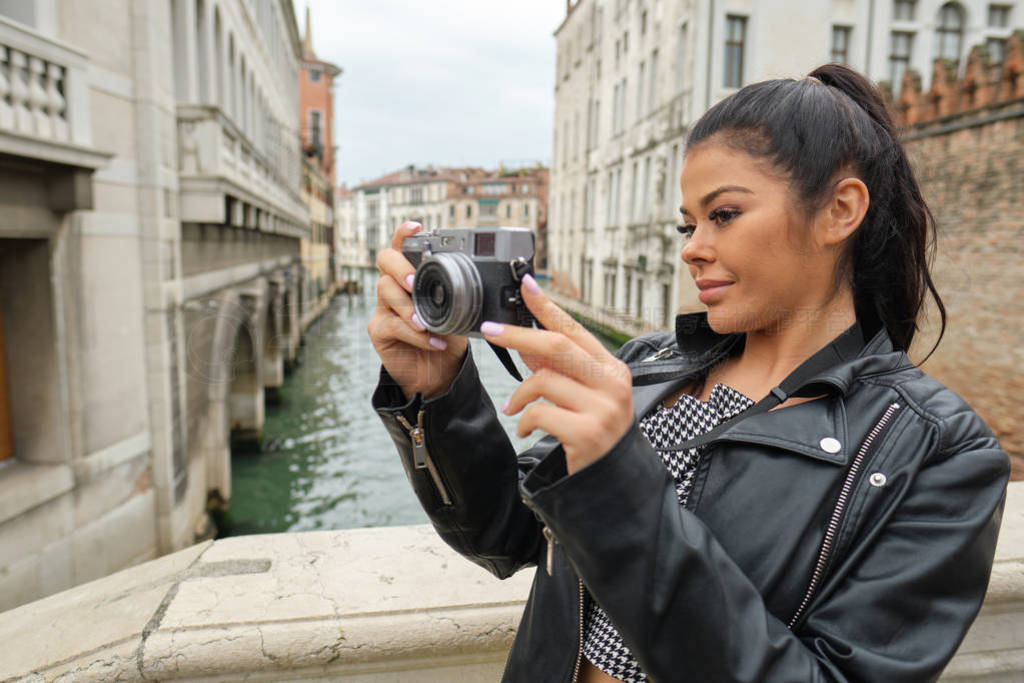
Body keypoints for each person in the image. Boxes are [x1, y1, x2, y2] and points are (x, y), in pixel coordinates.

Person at [367, 63, 1009, 682]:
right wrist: (435, 390)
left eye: (723, 214)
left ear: (840, 210)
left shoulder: (940, 453)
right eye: (688, 222)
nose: (692, 246)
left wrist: (620, 480)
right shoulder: (647, 366)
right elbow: (506, 536)